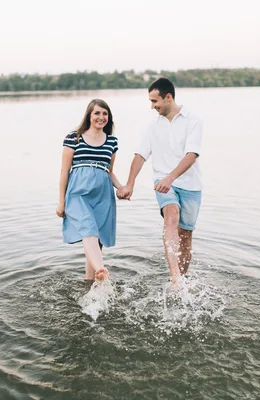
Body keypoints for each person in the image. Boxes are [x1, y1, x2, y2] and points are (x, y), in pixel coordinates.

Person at [117, 78, 203, 284]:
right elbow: (140, 156)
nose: (152, 106)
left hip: (191, 185)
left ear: (168, 97)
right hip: (163, 183)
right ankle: (174, 277)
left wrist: (171, 177)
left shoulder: (193, 120)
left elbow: (192, 154)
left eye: (155, 101)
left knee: (185, 237)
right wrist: (130, 184)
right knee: (171, 216)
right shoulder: (153, 126)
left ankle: (182, 280)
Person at [57, 99, 123, 283]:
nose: (101, 117)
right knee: (88, 230)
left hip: (103, 194)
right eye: (97, 113)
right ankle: (101, 268)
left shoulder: (112, 141)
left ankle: (91, 282)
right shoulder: (74, 137)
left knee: (97, 238)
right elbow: (64, 171)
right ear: (89, 115)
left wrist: (121, 187)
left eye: (105, 114)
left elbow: (109, 171)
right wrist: (61, 202)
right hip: (78, 192)